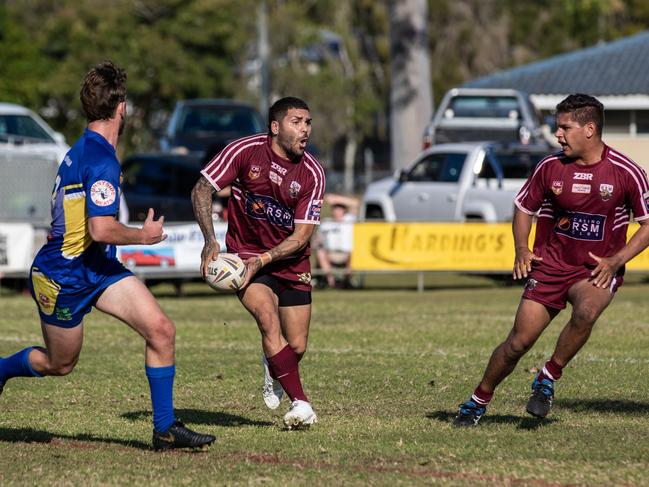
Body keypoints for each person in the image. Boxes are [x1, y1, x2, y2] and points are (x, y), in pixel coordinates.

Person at [0, 61, 215, 450]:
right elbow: (100, 228)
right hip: (62, 276)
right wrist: (144, 236)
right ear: (122, 108)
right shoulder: (99, 158)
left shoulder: (86, 150)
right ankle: (0, 371)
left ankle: (165, 428)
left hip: (98, 267)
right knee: (59, 364)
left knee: (161, 330)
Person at [454, 93, 649, 427]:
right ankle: (478, 400)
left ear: (589, 129)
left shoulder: (626, 172)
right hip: (551, 265)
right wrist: (521, 248)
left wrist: (616, 260)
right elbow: (523, 208)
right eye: (557, 127)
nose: (557, 134)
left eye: (564, 127)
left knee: (586, 311)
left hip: (595, 270)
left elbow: (647, 224)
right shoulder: (549, 167)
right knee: (518, 343)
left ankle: (548, 375)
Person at [191, 96, 325, 428]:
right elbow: (202, 189)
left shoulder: (312, 173)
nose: (305, 129)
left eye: (308, 122)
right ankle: (301, 404)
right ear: (275, 127)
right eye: (297, 122)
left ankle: (274, 366)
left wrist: (264, 259)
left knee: (296, 345)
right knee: (268, 319)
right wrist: (211, 238)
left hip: (290, 262)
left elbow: (301, 237)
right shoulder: (244, 151)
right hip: (244, 257)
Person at [314, 194, 358, 288]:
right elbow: (318, 240)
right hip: (330, 254)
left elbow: (355, 204)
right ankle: (331, 281)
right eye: (335, 208)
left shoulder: (349, 220)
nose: (338, 211)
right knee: (320, 252)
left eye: (340, 208)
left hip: (347, 254)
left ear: (344, 210)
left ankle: (347, 281)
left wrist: (337, 199)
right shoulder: (326, 223)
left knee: (354, 253)